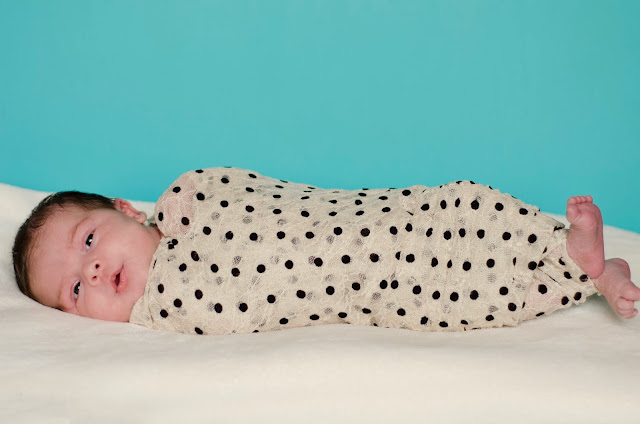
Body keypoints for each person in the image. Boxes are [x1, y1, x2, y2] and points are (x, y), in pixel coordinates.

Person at [12, 167, 640, 335]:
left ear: (125, 208)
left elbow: (259, 191)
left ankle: (568, 249)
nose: (94, 269)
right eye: (76, 289)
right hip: (380, 282)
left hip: (370, 214)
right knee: (462, 295)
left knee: (458, 206)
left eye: (88, 241)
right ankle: (586, 272)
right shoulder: (162, 309)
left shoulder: (192, 194)